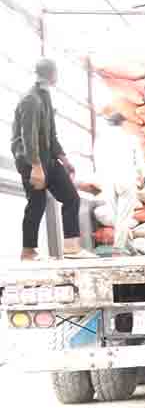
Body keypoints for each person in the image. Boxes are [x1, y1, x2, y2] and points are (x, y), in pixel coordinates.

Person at [12, 58, 91, 260]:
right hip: (30, 160)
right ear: (51, 74)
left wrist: (64, 160)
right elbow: (28, 137)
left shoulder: (45, 97)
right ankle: (28, 251)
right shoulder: (31, 99)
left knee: (71, 198)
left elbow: (51, 135)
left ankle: (72, 247)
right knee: (36, 203)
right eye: (56, 72)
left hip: (47, 157)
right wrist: (36, 167)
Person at [93, 111, 145, 250]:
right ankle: (118, 248)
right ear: (122, 123)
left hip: (108, 180)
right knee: (124, 217)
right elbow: (140, 164)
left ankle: (128, 247)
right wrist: (141, 177)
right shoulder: (131, 139)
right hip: (126, 179)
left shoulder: (100, 141)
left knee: (116, 216)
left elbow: (97, 163)